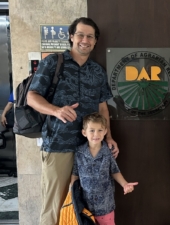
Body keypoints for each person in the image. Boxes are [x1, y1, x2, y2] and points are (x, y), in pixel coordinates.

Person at [27, 17, 119, 225]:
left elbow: (103, 107)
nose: (85, 40)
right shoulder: (53, 62)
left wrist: (109, 137)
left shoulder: (97, 71)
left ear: (95, 41)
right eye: (80, 35)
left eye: (90, 36)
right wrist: (56, 110)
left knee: (85, 206)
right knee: (55, 205)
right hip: (59, 146)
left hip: (89, 148)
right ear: (71, 36)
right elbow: (31, 97)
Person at [71, 112, 138, 225]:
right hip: (85, 206)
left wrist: (125, 184)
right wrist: (71, 190)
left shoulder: (108, 151)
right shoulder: (79, 152)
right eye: (92, 130)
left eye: (100, 130)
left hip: (105, 205)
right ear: (84, 132)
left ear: (105, 132)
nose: (96, 134)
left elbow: (115, 171)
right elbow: (75, 173)